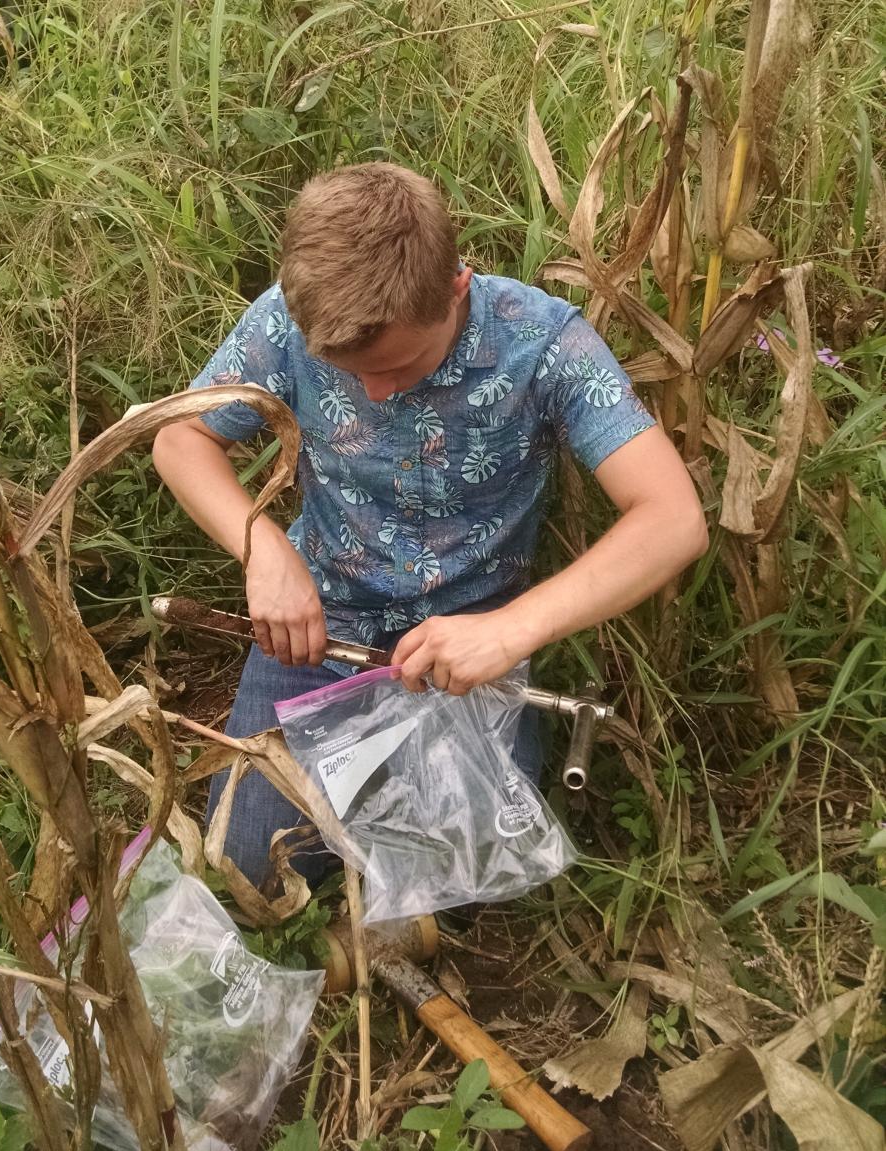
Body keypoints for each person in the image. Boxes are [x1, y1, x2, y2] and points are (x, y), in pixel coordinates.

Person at [152, 163, 708, 890]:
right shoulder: (283, 323)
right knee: (245, 871)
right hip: (317, 624)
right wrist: (264, 551)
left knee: (471, 875)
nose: (378, 392)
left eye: (402, 365)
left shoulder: (543, 344)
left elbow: (673, 519)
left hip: (467, 644)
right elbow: (179, 439)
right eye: (350, 374)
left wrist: (510, 631)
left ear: (457, 286)